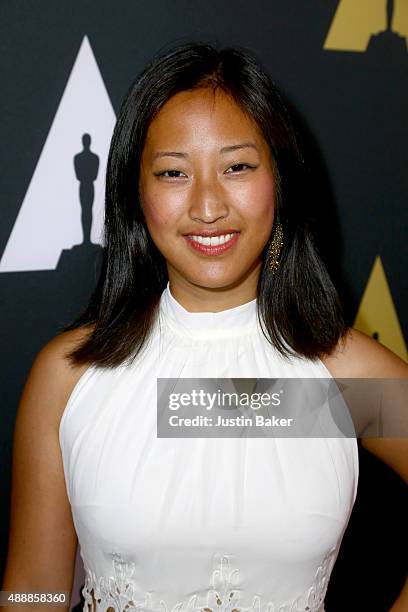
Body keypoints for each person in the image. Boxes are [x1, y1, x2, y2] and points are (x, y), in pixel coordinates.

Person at [2, 42, 407, 612]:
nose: (208, 205)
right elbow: (33, 591)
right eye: (173, 173)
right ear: (136, 195)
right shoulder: (72, 379)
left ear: (280, 180)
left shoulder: (338, 379)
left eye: (237, 166)